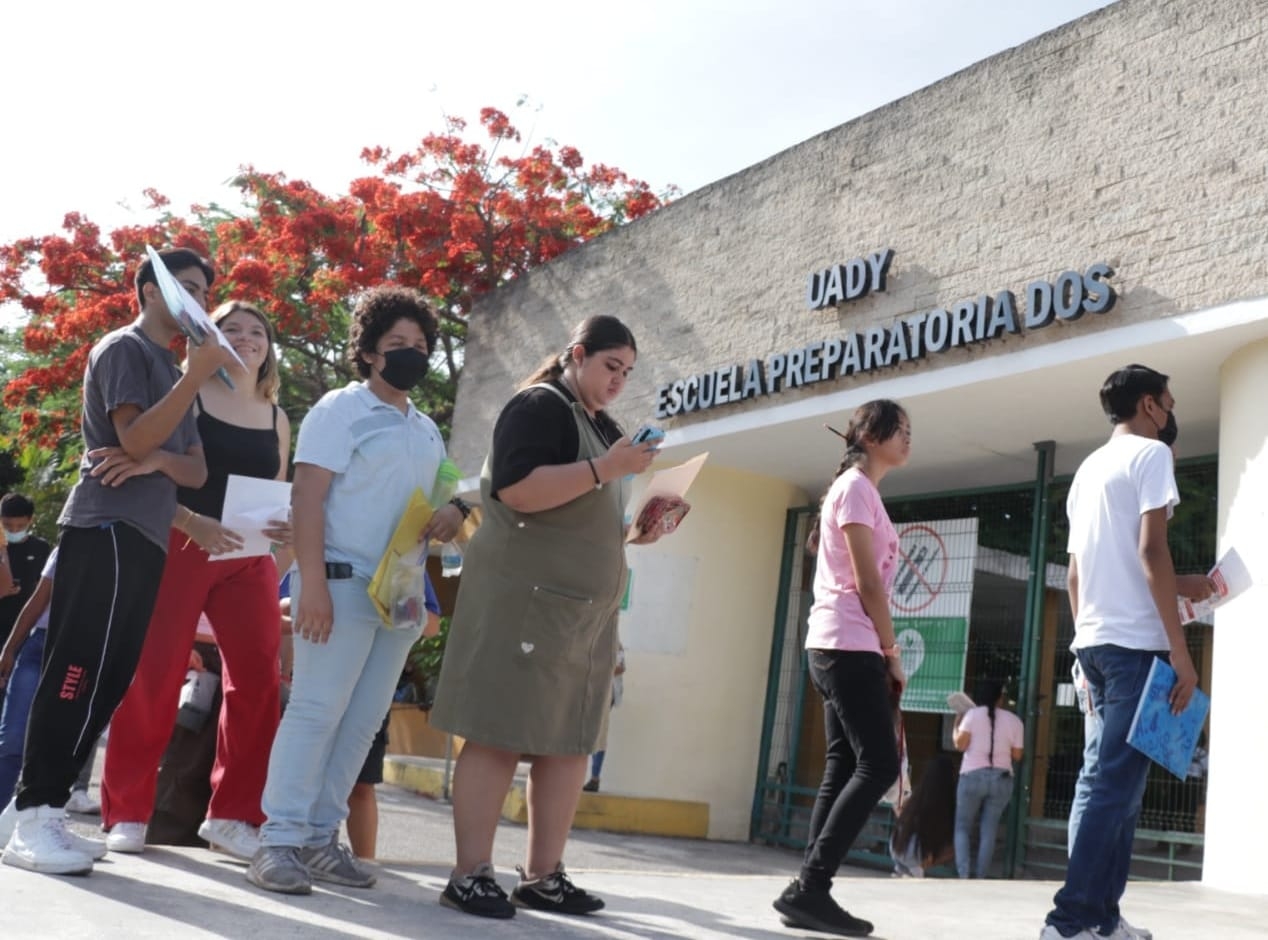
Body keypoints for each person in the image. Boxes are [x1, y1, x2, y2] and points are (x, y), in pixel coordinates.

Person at [1, 248, 236, 876]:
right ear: (150, 292)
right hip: (103, 527)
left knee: (109, 675)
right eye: (186, 288)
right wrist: (191, 380)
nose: (200, 304)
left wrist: (158, 459)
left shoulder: (170, 368)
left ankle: (37, 808)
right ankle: (33, 813)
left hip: (145, 537)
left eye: (205, 293)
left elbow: (192, 467)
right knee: (76, 668)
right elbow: (130, 438)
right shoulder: (125, 350)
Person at [429, 315, 657, 919]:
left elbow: (584, 511)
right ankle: (469, 872)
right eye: (611, 366)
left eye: (628, 373)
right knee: (499, 732)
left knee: (568, 744)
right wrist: (610, 469)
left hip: (581, 614)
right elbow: (519, 491)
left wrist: (643, 527)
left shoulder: (602, 426)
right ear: (577, 355)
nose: (619, 382)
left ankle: (542, 875)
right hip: (525, 601)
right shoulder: (539, 406)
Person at [246, 285, 462, 895]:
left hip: (398, 599)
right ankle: (277, 841)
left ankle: (319, 838)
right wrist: (310, 584)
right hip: (338, 586)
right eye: (398, 344)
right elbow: (307, 498)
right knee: (316, 712)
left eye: (421, 345)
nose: (412, 354)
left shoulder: (425, 429)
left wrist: (450, 516)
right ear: (368, 352)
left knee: (363, 722)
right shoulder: (339, 411)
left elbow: (424, 508)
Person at [100, 299, 291, 861]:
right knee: (155, 677)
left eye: (257, 330)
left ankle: (233, 815)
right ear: (209, 338)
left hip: (248, 555)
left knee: (258, 681)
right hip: (181, 543)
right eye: (231, 328)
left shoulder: (277, 414)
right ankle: (128, 812)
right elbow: (151, 472)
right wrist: (191, 523)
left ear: (268, 345)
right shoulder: (189, 393)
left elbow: (277, 489)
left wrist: (281, 528)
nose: (245, 336)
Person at [1041, 364, 1214, 940]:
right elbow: (1149, 551)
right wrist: (1180, 651)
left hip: (1094, 643)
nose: (1170, 413)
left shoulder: (1088, 470)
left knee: (1113, 788)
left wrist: (1194, 585)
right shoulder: (1151, 457)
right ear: (1147, 406)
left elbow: (1075, 575)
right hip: (1136, 650)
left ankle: (1102, 918)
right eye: (1167, 402)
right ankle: (1068, 923)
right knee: (1113, 788)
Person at [772, 398, 911, 938]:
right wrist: (891, 653)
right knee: (877, 765)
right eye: (899, 430)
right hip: (849, 647)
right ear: (871, 437)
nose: (907, 438)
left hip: (836, 646)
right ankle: (810, 886)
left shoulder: (858, 490)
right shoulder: (856, 489)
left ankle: (809, 888)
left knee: (843, 764)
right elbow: (867, 582)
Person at [0, 549, 104, 815]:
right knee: (12, 738)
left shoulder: (132, 557)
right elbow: (37, 601)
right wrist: (10, 648)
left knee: (56, 744)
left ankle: (37, 818)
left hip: (81, 654)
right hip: (39, 646)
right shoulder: (69, 548)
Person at [346, 574, 441, 860]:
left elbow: (432, 625)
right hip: (318, 688)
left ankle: (365, 863)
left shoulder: (405, 560)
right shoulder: (324, 547)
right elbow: (281, 605)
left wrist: (395, 602)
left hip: (371, 692)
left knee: (361, 785)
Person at [952, 678, 1023, 879]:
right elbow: (1017, 756)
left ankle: (964, 875)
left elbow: (960, 745)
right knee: (989, 829)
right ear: (1000, 698)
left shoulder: (972, 715)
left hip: (972, 777)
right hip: (1002, 779)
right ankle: (981, 876)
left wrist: (957, 722)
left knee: (962, 827)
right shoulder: (1014, 721)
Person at [0, 494, 53, 716]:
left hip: (22, 635)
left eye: (20, 525)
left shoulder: (42, 549)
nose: (13, 530)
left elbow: (45, 592)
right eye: (7, 525)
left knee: (11, 702)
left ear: (30, 521)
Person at [889, 753, 957, 878]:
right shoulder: (947, 802)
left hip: (895, 848)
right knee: (959, 844)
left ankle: (905, 870)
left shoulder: (918, 794)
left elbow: (898, 807)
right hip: (917, 854)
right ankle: (916, 868)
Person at [583, 643, 625, 793]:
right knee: (589, 733)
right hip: (589, 691)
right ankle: (590, 777)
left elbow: (620, 668)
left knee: (596, 733)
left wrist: (600, 669)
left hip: (605, 693)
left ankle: (594, 777)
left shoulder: (614, 643)